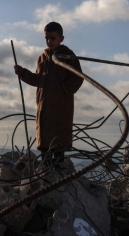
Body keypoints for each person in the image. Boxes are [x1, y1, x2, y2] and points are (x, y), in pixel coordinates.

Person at [14, 22, 84, 166]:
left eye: (52, 38)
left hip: (60, 110)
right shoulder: (42, 58)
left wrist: (61, 91)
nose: (49, 41)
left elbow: (77, 78)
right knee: (45, 148)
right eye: (46, 38)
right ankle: (46, 177)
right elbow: (38, 80)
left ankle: (57, 179)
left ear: (61, 38)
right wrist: (23, 73)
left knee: (58, 146)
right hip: (44, 109)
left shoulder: (68, 56)